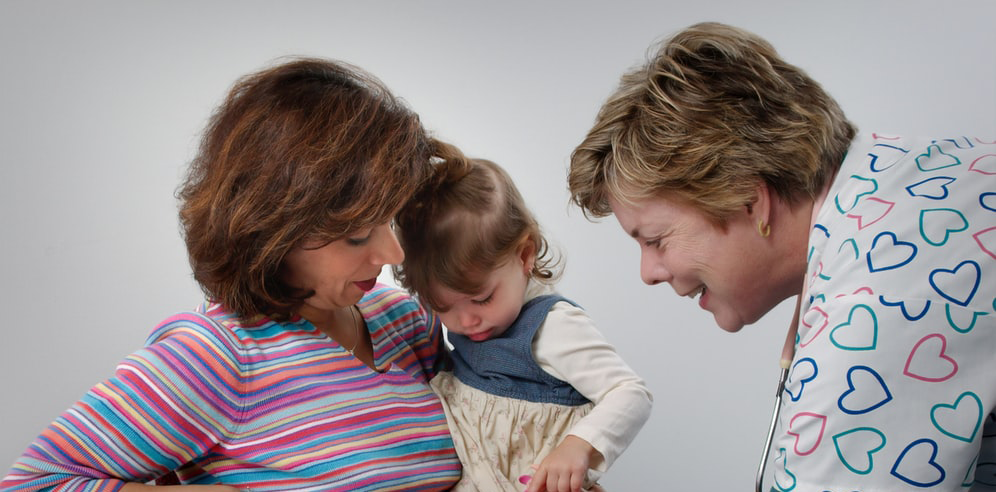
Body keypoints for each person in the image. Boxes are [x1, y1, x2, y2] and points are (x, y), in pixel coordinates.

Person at [567, 21, 995, 491]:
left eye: (655, 240)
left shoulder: (870, 311)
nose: (648, 273)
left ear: (748, 199)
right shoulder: (915, 177)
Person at [1, 58, 462, 491]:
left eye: (391, 219)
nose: (393, 251)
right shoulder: (216, 358)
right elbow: (38, 481)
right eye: (358, 236)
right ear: (271, 232)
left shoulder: (406, 321)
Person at [393, 142, 653, 492]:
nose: (466, 322)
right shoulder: (462, 327)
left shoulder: (552, 327)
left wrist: (579, 446)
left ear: (525, 255)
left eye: (482, 298)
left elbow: (630, 393)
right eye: (441, 307)